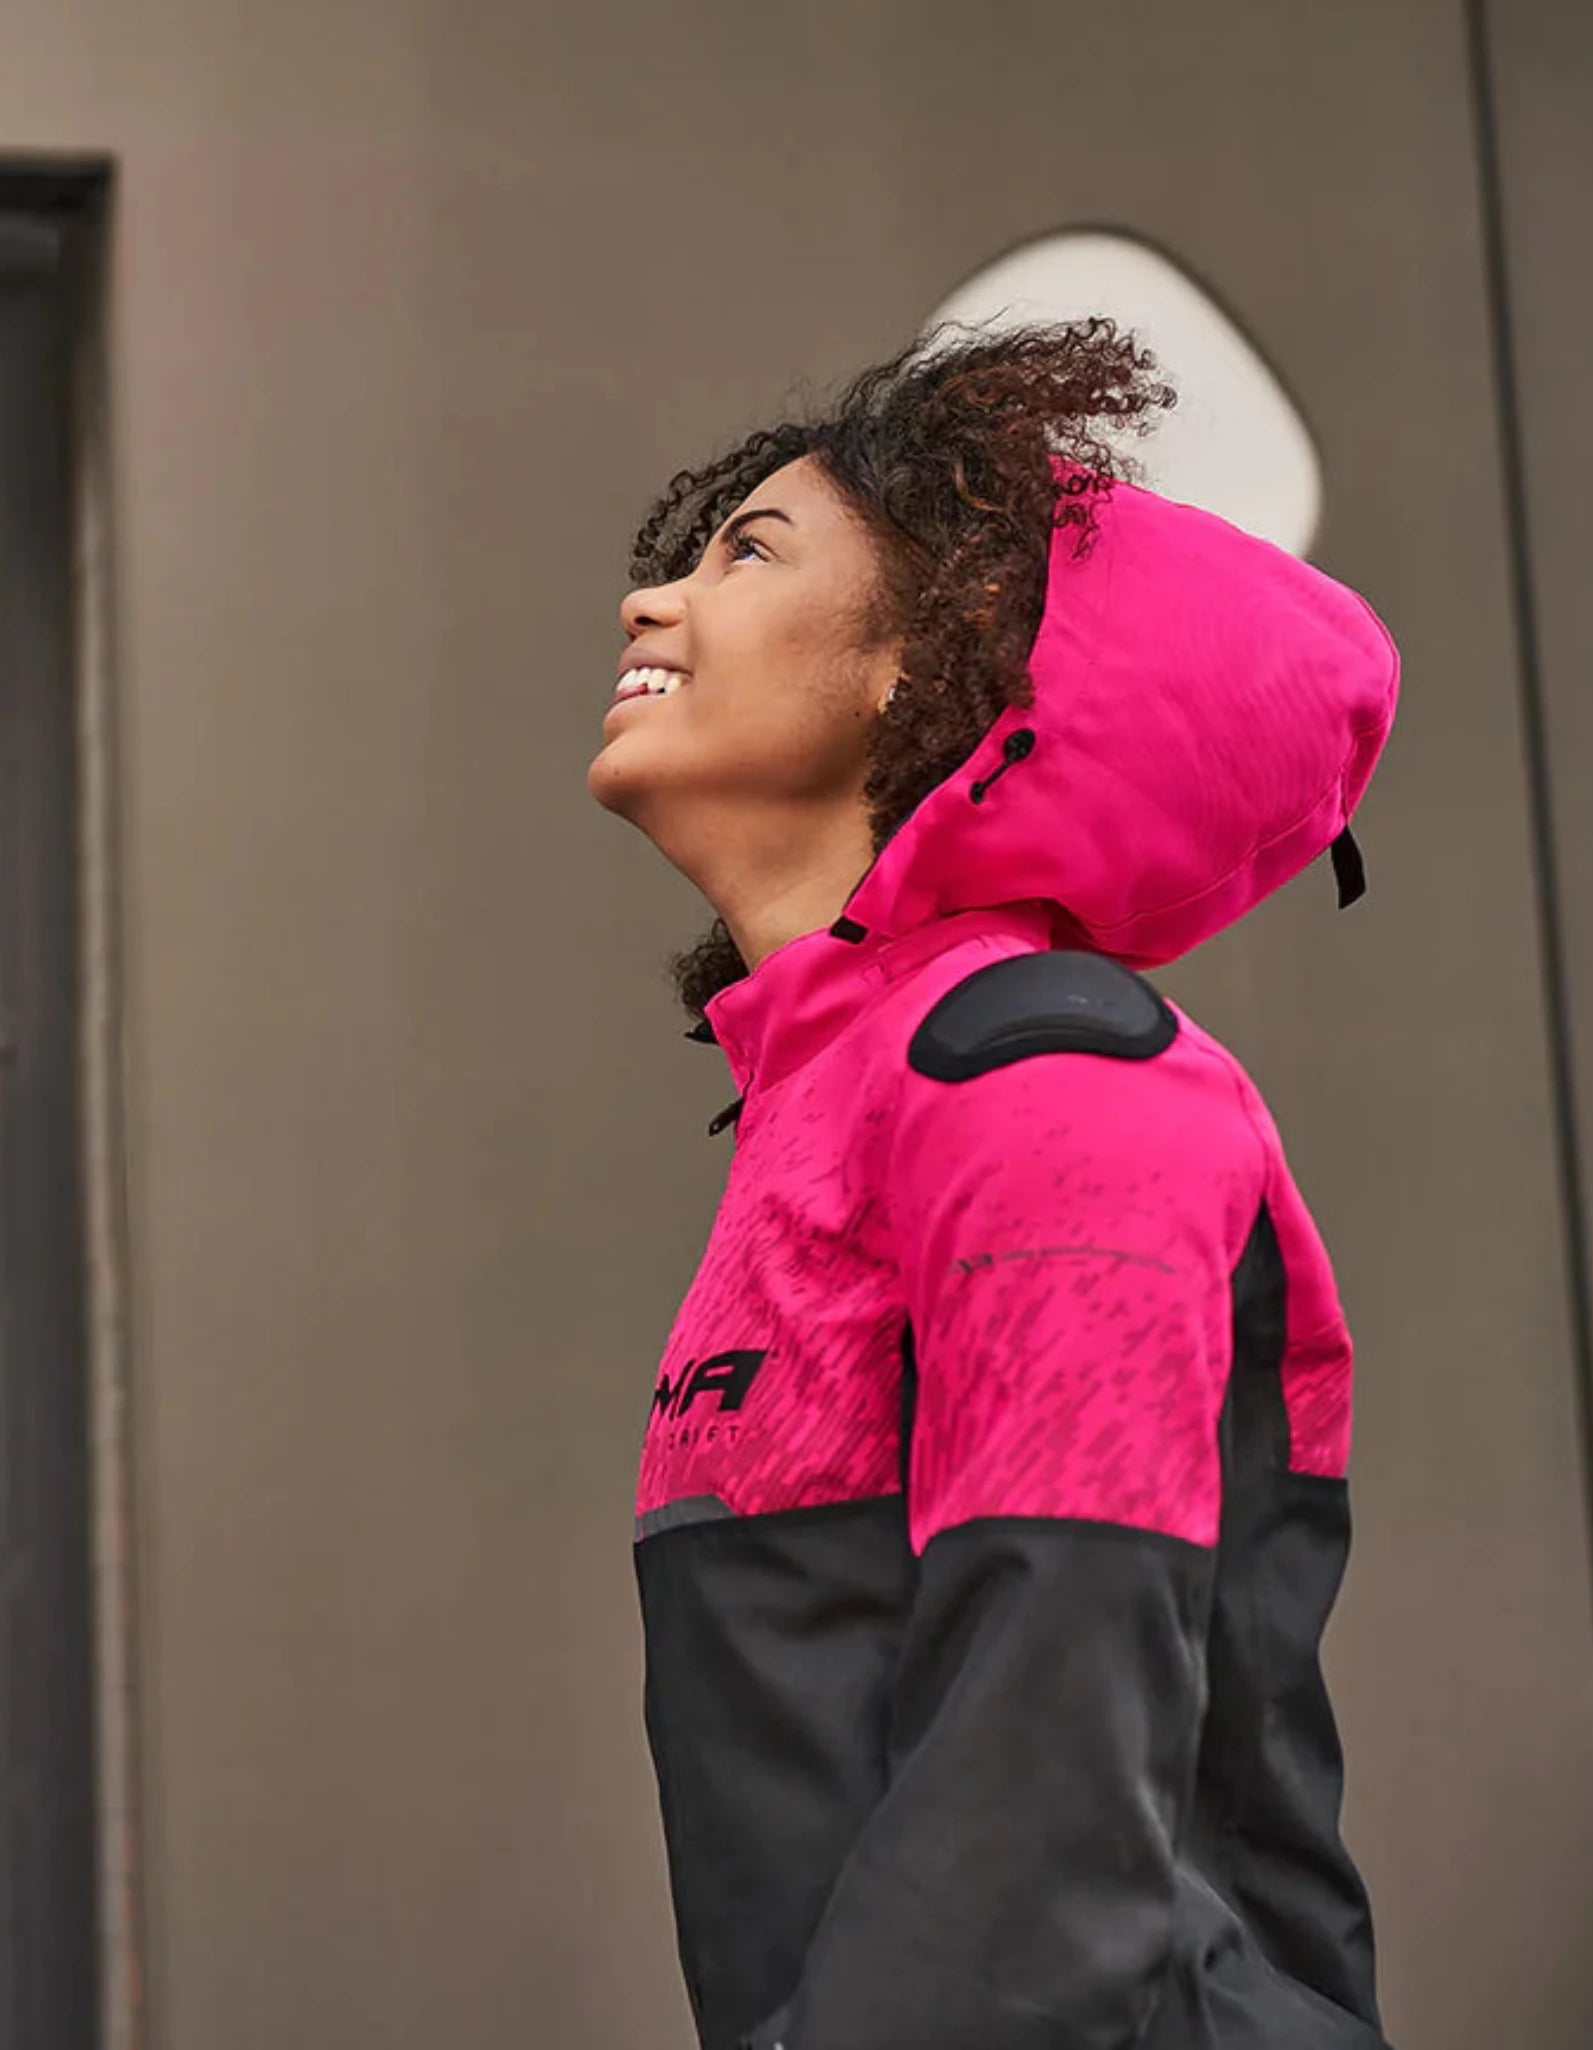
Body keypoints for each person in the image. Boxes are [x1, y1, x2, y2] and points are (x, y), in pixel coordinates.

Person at [587, 320, 1398, 2050]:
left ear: (917, 662)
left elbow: (1051, 1743)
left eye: (748, 551)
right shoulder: (829, 1102)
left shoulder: (1046, 1073)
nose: (654, 602)